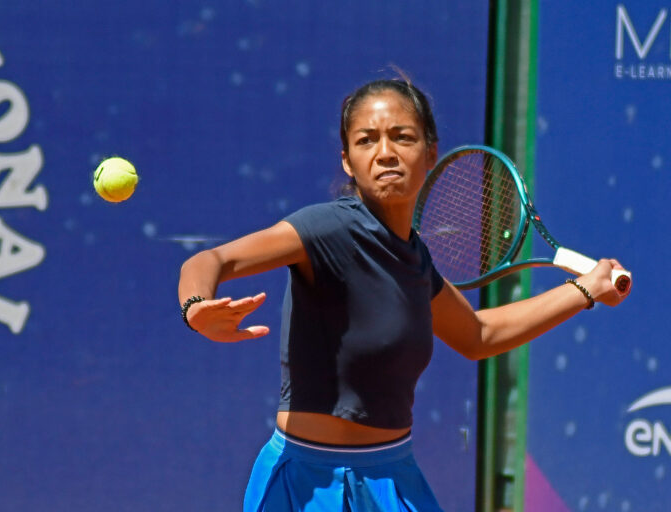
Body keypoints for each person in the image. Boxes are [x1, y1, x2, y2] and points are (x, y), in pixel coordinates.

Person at [177, 78, 630, 511]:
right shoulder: (326, 227)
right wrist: (197, 307)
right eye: (366, 140)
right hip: (309, 485)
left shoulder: (415, 258)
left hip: (394, 477)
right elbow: (209, 261)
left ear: (430, 153)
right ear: (347, 161)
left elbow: (478, 334)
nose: (385, 153)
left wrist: (584, 291)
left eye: (402, 137)